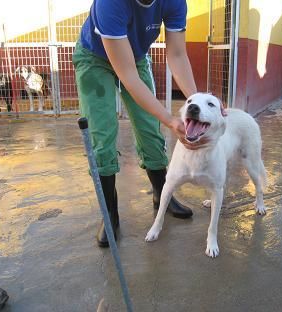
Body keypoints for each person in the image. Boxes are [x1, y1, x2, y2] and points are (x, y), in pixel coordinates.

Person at [73, 0, 200, 247]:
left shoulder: (174, 2)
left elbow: (176, 54)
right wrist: (170, 119)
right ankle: (110, 213)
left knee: (150, 129)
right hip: (94, 58)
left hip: (136, 56)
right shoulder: (110, 3)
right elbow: (127, 75)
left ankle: (162, 196)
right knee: (102, 134)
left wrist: (198, 105)